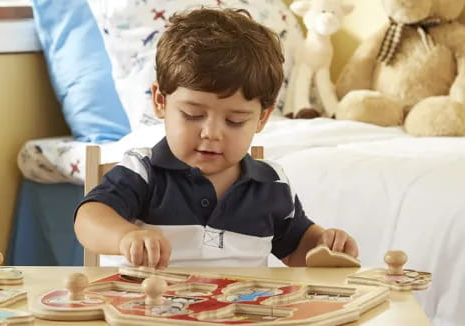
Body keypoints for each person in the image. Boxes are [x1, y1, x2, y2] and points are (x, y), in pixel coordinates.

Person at [74, 7, 358, 269]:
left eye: (235, 121)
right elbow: (89, 219)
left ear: (262, 118)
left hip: (240, 316)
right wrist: (126, 236)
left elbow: (298, 249)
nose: (211, 133)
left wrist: (325, 243)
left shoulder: (271, 184)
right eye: (192, 114)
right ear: (160, 101)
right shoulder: (144, 171)